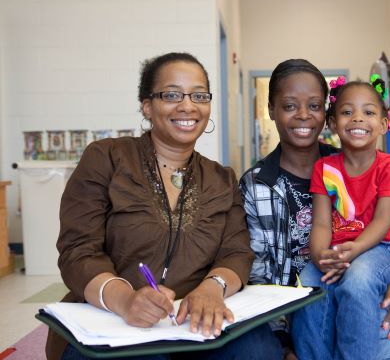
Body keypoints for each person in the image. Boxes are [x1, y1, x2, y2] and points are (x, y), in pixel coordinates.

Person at [47, 52, 283, 360]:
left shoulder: (221, 178)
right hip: (111, 320)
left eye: (199, 95)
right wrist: (126, 300)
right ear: (147, 106)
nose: (187, 106)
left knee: (259, 349)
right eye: (172, 95)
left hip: (191, 322)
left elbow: (236, 252)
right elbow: (77, 250)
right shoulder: (106, 159)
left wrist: (212, 288)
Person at [240, 59, 390, 360]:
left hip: (370, 265)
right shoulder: (259, 184)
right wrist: (281, 341)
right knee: (325, 297)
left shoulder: (355, 158)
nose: (303, 115)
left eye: (314, 106)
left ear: (324, 115)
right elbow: (259, 273)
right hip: (309, 288)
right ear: (271, 109)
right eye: (290, 106)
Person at [292, 76, 390, 359]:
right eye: (347, 112)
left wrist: (356, 249)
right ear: (333, 124)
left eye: (368, 112)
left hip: (376, 250)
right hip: (335, 250)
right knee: (308, 283)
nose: (357, 119)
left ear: (384, 124)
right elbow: (320, 223)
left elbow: (383, 222)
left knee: (357, 281)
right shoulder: (325, 168)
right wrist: (320, 255)